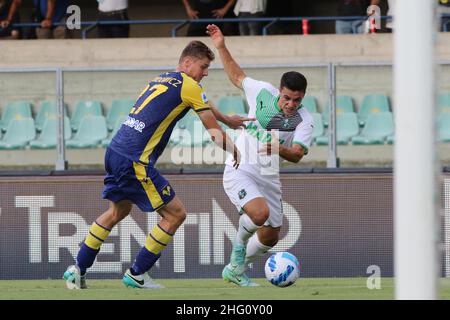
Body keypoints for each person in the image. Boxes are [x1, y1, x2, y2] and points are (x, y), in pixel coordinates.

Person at [62, 40, 250, 290]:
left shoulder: (161, 79)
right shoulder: (190, 86)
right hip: (134, 160)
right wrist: (235, 150)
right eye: (203, 67)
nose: (205, 73)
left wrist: (226, 118)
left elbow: (200, 102)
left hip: (115, 151)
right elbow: (213, 133)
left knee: (117, 212)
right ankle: (137, 273)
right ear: (187, 63)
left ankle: (78, 269)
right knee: (175, 214)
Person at [207, 23, 314, 286]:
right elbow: (236, 75)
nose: (291, 104)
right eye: (287, 98)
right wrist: (221, 46)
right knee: (259, 214)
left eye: (296, 100)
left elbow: (298, 154)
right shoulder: (262, 92)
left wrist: (282, 149)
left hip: (269, 175)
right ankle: (237, 253)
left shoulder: (304, 120)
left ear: (302, 98)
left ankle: (236, 269)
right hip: (240, 167)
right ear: (280, 91)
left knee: (270, 236)